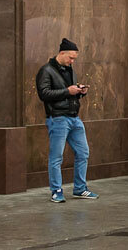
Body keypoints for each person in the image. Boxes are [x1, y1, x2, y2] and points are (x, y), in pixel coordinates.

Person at [36, 38, 97, 204]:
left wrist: (79, 92)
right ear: (61, 53)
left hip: (74, 118)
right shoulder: (46, 71)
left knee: (83, 153)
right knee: (56, 157)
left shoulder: (70, 70)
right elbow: (44, 94)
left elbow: (69, 92)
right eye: (70, 57)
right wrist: (67, 91)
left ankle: (80, 188)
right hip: (57, 119)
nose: (72, 61)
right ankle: (56, 191)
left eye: (74, 59)